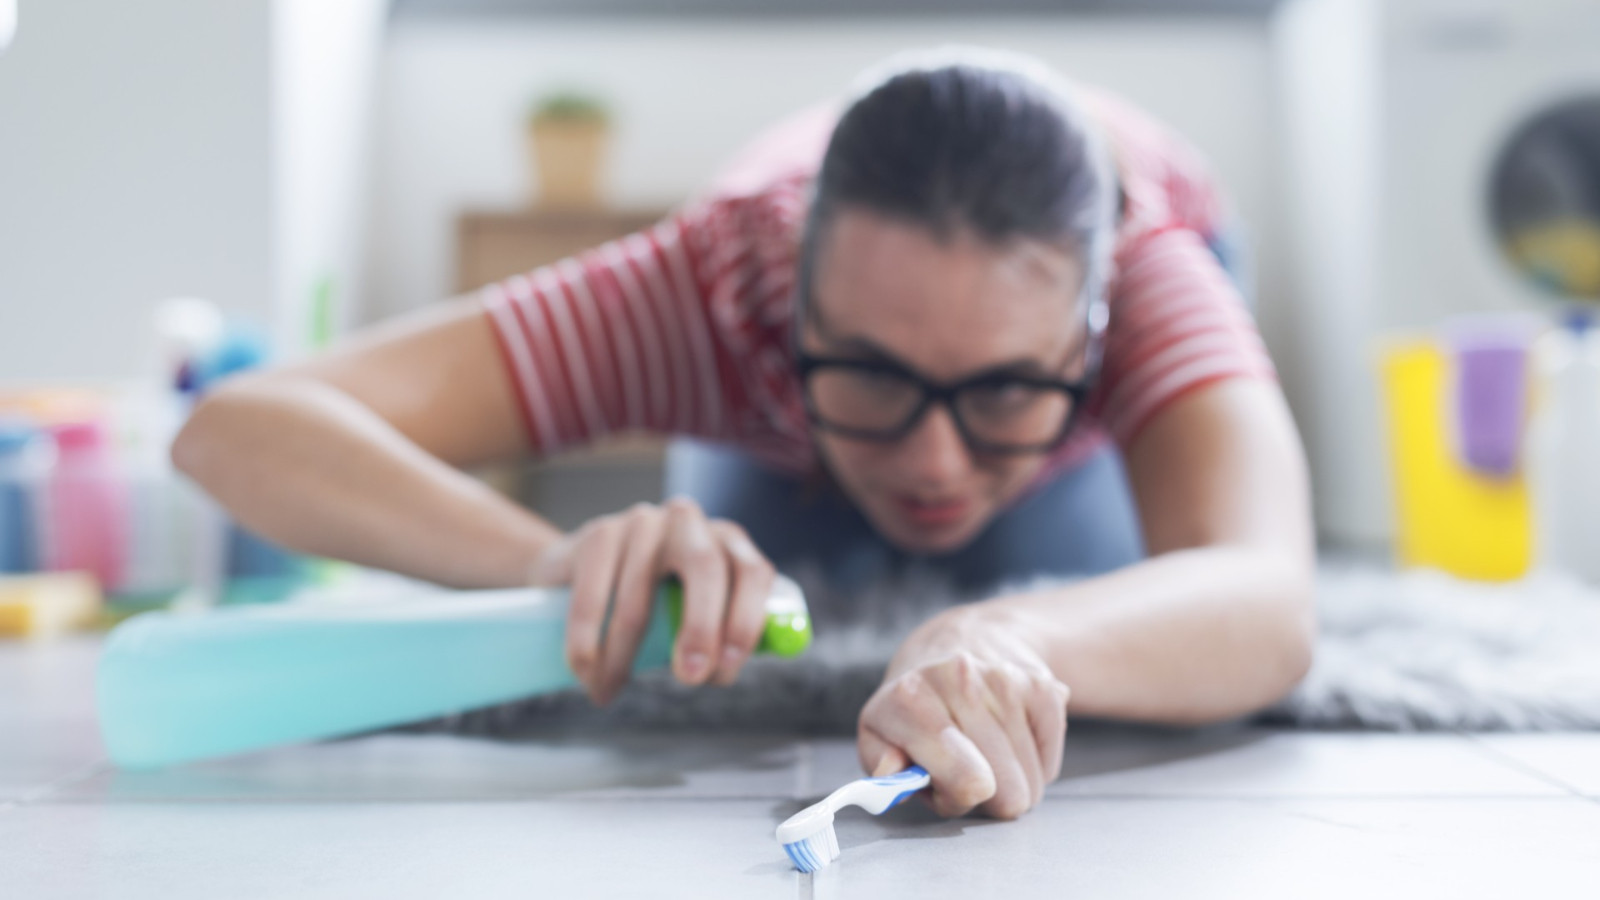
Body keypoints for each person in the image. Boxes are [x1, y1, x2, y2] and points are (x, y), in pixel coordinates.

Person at [173, 47, 1315, 822]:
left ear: (1090, 335)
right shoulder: (714, 284)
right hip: (772, 416)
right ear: (791, 312)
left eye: (1006, 392)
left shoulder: (1152, 267)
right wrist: (549, 562)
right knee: (748, 580)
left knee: (1084, 579)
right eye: (867, 373)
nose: (934, 463)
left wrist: (1018, 635)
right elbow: (235, 429)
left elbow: (1266, 597)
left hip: (1132, 274)